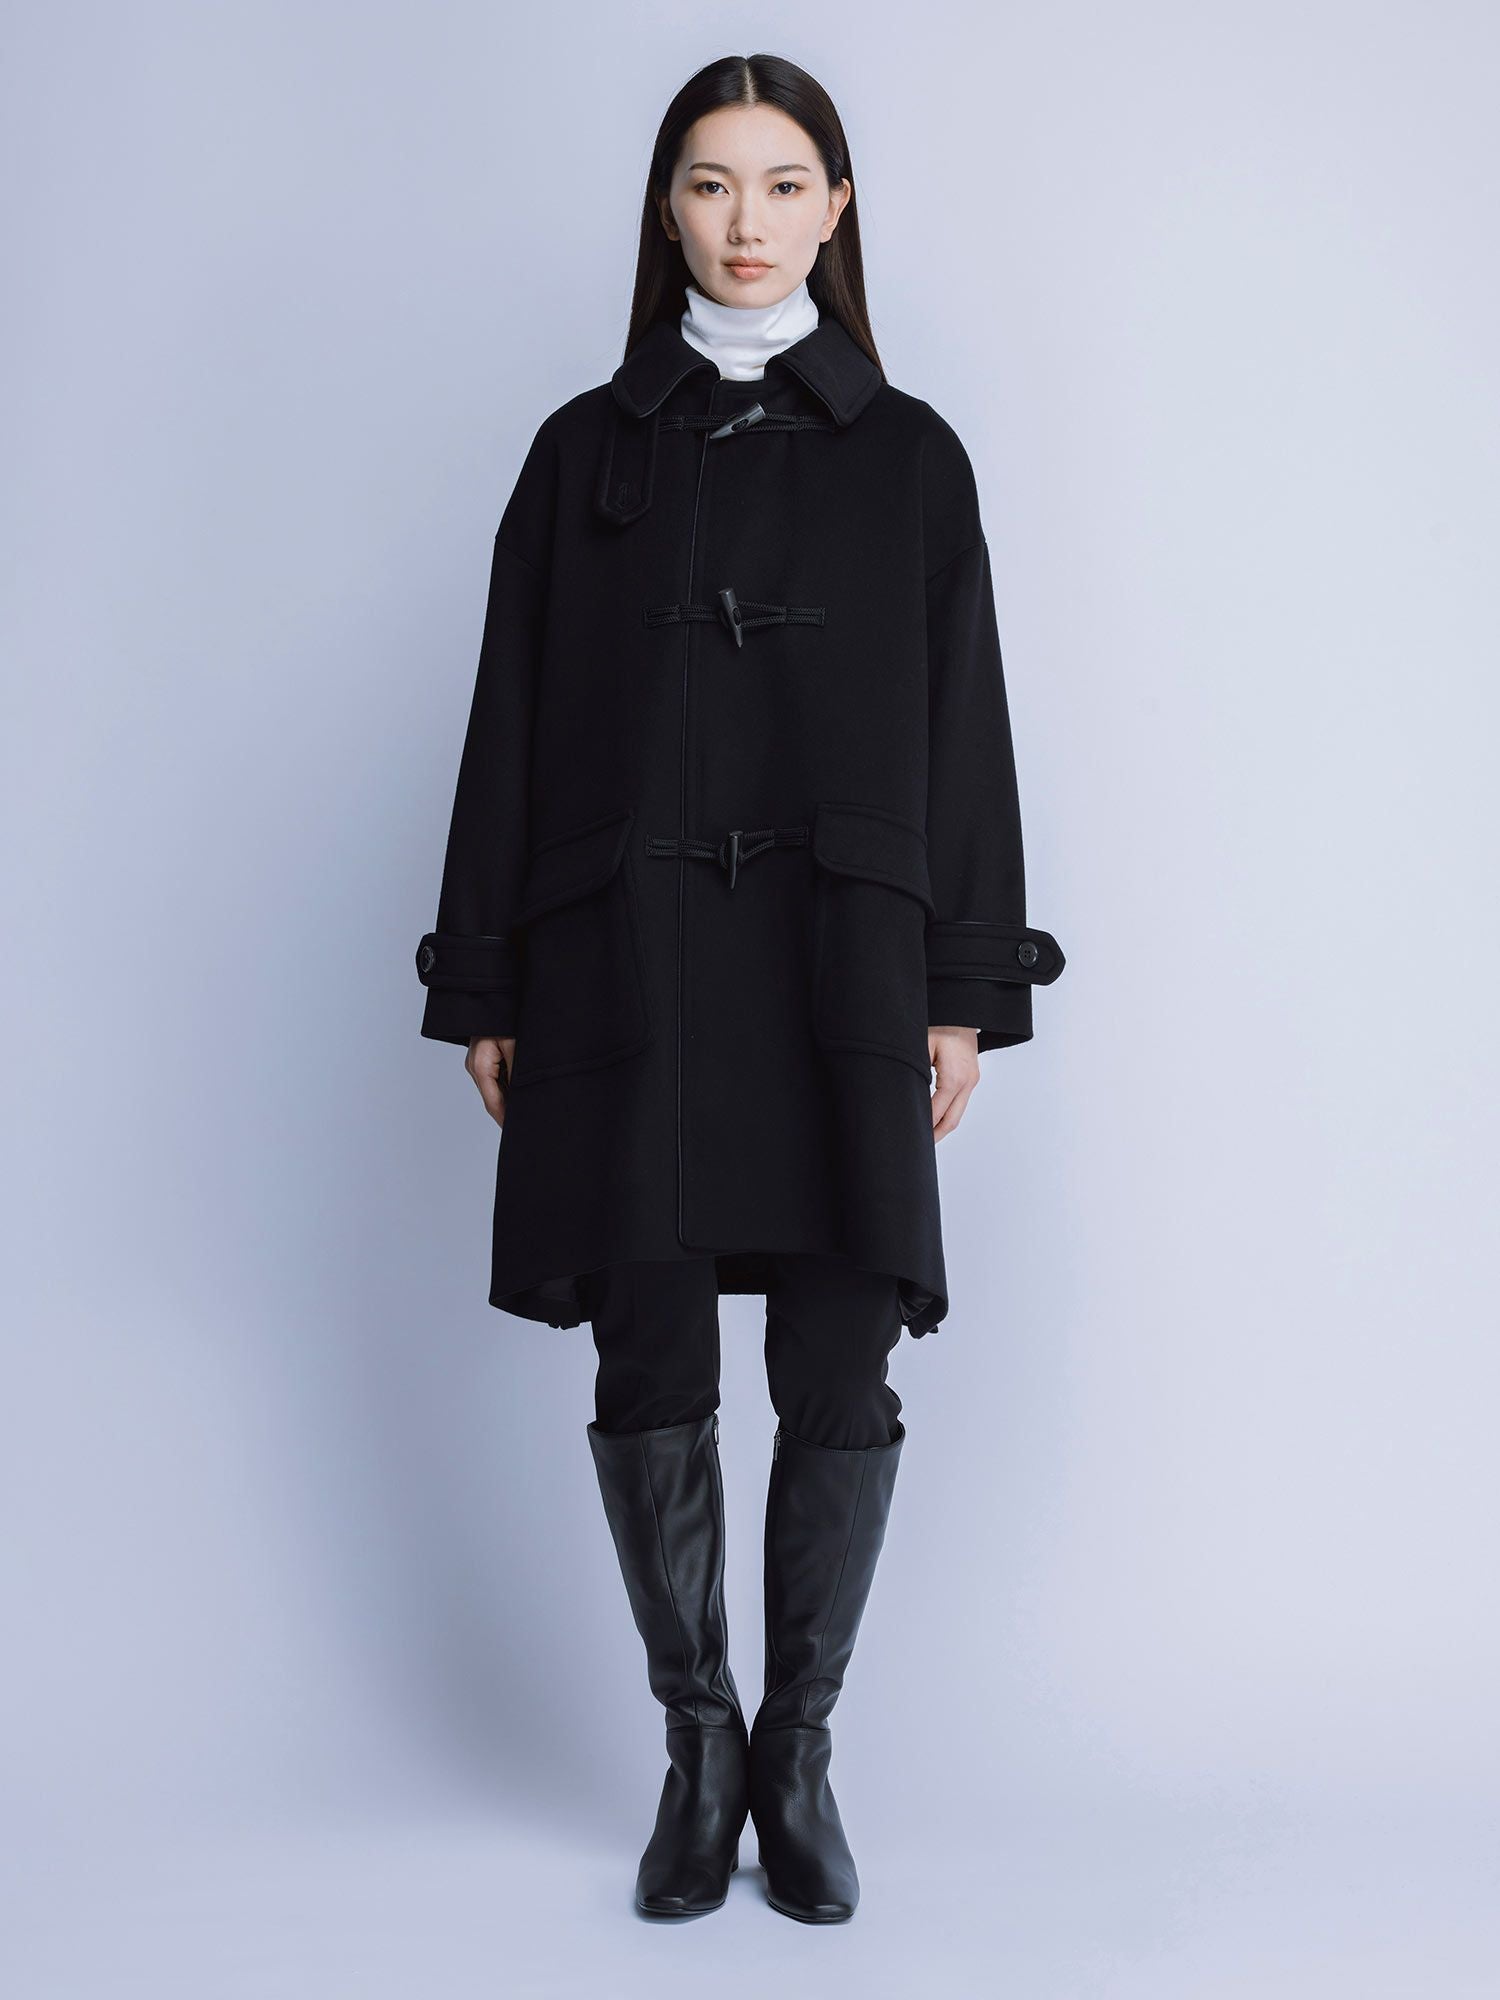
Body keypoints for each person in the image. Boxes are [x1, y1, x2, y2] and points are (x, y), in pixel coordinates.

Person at [414, 53, 1065, 1923]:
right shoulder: (583, 454)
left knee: (841, 1354)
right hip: (626, 952)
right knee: (652, 1348)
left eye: (785, 185)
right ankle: (697, 1745)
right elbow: (508, 722)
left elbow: (965, 734)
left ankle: (802, 1749)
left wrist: (959, 986)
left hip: (841, 952)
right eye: (712, 184)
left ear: (836, 208)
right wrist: (489, 978)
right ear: (667, 208)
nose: (748, 221)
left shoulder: (910, 457)